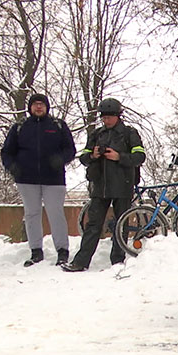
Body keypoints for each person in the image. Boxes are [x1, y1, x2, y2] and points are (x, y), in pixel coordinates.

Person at [62, 98, 146, 272]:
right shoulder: (97, 134)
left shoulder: (129, 133)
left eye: (109, 117)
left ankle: (117, 261)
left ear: (117, 116)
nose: (106, 120)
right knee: (93, 225)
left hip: (123, 185)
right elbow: (84, 158)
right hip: (100, 186)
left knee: (120, 224)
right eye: (104, 117)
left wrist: (119, 157)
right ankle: (81, 261)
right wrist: (92, 155)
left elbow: (139, 157)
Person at [2, 93, 76, 266]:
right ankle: (36, 251)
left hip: (54, 179)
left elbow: (70, 149)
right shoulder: (20, 127)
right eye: (35, 104)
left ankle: (62, 251)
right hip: (26, 179)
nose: (38, 107)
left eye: (41, 104)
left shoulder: (58, 126)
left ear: (47, 107)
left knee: (56, 213)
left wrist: (60, 159)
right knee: (31, 214)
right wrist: (12, 167)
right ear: (30, 108)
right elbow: (7, 152)